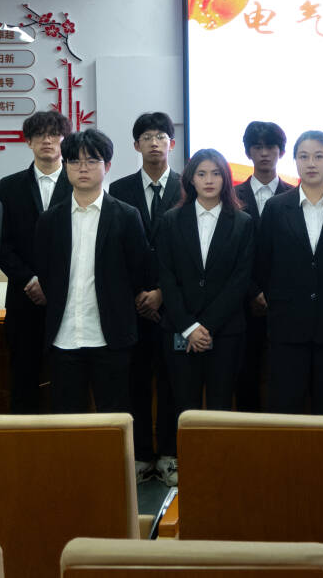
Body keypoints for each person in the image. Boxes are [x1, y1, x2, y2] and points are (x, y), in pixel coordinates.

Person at [35, 129, 150, 418]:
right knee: (67, 421)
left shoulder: (126, 215)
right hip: (64, 336)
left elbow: (139, 271)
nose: (83, 168)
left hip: (111, 338)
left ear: (107, 166)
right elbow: (45, 271)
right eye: (75, 161)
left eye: (92, 161)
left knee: (113, 420)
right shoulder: (50, 219)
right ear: (65, 166)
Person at [255, 130, 323, 414]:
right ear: (294, 161)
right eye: (303, 156)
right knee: (285, 407)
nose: (311, 163)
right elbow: (263, 261)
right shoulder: (276, 208)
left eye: (319, 156)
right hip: (287, 326)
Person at [108, 112, 180, 485]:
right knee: (134, 381)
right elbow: (115, 250)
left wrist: (162, 292)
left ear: (172, 143)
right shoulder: (119, 189)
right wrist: (140, 294)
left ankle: (169, 453)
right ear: (136, 145)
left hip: (175, 305)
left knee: (171, 381)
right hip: (133, 307)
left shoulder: (188, 187)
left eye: (161, 136)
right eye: (147, 137)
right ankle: (139, 455)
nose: (155, 143)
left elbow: (188, 251)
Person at [155, 149, 254, 416]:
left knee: (220, 408)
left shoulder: (243, 222)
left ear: (226, 179)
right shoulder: (171, 220)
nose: (209, 180)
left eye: (216, 173)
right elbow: (167, 277)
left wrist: (206, 325)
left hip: (226, 332)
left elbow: (240, 279)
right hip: (181, 328)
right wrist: (189, 327)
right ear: (191, 179)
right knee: (184, 408)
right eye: (201, 174)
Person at [0, 110, 71, 416]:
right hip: (23, 299)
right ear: (28, 142)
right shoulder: (9, 186)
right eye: (39, 135)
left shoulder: (80, 182)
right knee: (22, 379)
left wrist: (53, 284)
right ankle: (23, 443)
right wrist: (29, 280)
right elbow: (1, 244)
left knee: (66, 381)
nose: (47, 140)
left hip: (69, 299)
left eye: (54, 134)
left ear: (64, 139)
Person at [233, 120, 293, 412]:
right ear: (248, 152)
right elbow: (231, 254)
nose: (265, 153)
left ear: (281, 151)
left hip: (286, 301)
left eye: (271, 147)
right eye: (257, 147)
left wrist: (274, 292)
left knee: (284, 376)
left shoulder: (297, 196)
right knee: (245, 374)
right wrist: (253, 291)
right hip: (242, 301)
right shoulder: (231, 196)